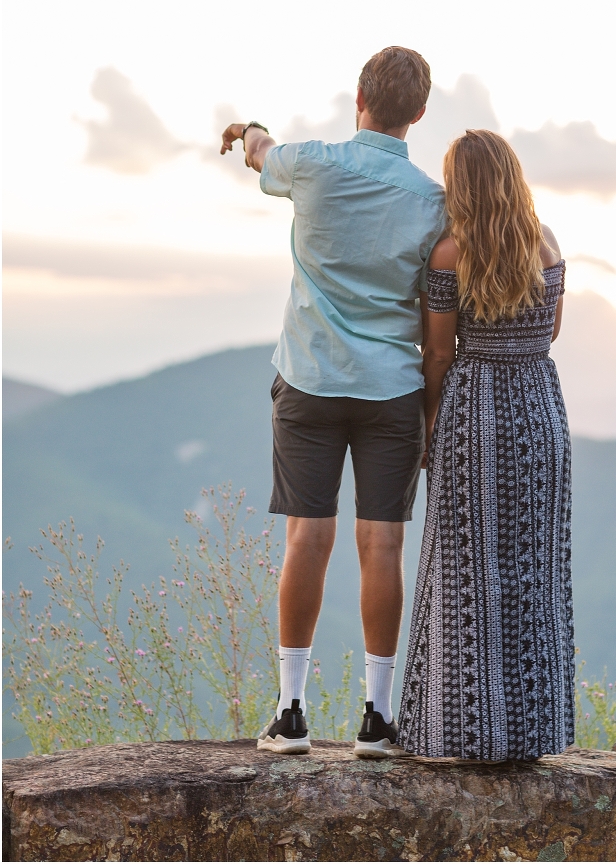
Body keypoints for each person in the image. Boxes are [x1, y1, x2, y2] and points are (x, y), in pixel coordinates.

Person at [220, 47, 445, 758]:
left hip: (310, 381)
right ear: (419, 112)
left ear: (359, 97)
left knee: (306, 538)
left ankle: (291, 711)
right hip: (391, 390)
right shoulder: (431, 200)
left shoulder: (311, 162)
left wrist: (251, 129)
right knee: (383, 543)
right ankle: (378, 719)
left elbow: (261, 152)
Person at [398, 129, 574, 761]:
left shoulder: (450, 254)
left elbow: (439, 353)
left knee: (462, 571)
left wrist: (428, 426)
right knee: (534, 573)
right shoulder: (546, 244)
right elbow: (550, 333)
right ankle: (532, 732)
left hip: (475, 413)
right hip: (540, 412)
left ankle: (455, 730)